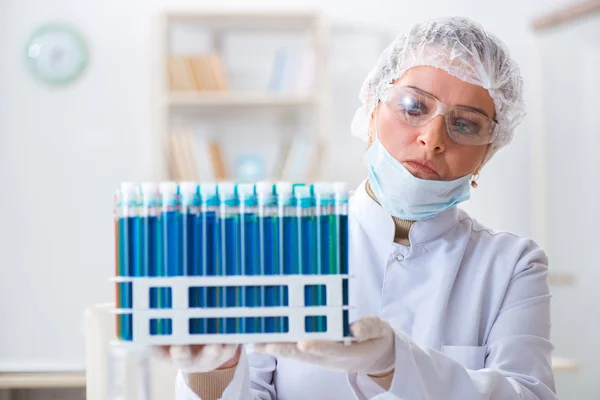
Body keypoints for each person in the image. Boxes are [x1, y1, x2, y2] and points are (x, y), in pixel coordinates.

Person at [155, 16, 557, 400]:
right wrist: (216, 368)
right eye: (414, 106)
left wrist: (394, 363)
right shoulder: (283, 242)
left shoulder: (511, 266)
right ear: (371, 109)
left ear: (487, 153)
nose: (432, 139)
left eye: (465, 124)